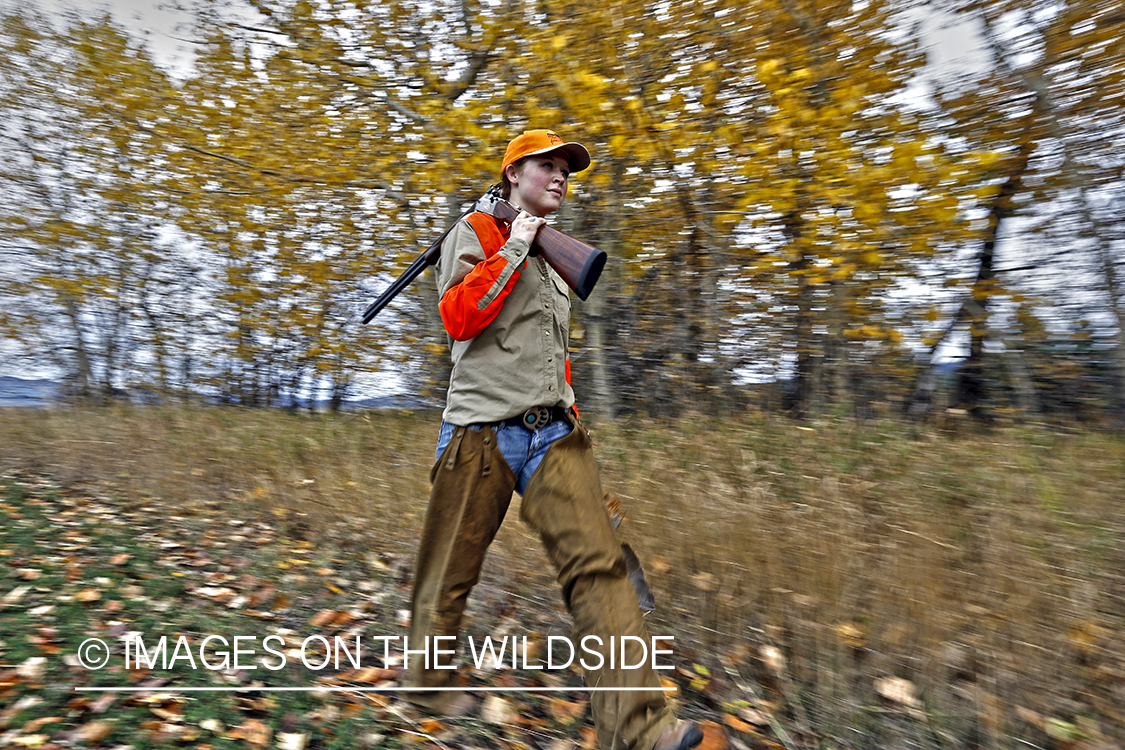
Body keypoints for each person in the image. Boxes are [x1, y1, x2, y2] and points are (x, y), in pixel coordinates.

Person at [404, 129, 703, 750]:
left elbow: (549, 354)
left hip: (551, 435)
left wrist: (572, 417)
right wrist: (513, 248)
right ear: (514, 174)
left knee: (600, 573)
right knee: (448, 573)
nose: (561, 176)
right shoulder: (477, 234)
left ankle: (640, 732)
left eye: (567, 170)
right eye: (547, 166)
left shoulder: (557, 252)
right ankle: (427, 684)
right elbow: (459, 318)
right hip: (480, 432)